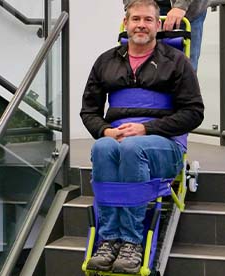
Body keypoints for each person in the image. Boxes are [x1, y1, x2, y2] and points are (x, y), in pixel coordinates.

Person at [80, 0, 204, 273]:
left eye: (148, 20)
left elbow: (194, 113)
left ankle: (132, 242)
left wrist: (146, 128)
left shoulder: (176, 62)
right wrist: (106, 131)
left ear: (158, 26)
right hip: (118, 140)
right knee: (102, 148)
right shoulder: (106, 61)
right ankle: (109, 238)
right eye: (136, 19)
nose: (141, 25)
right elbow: (89, 110)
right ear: (126, 24)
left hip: (163, 144)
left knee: (132, 148)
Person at [123, 0, 209, 71]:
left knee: (185, 69)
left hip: (187, 10)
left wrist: (180, 6)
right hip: (145, 5)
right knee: (138, 67)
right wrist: (132, 5)